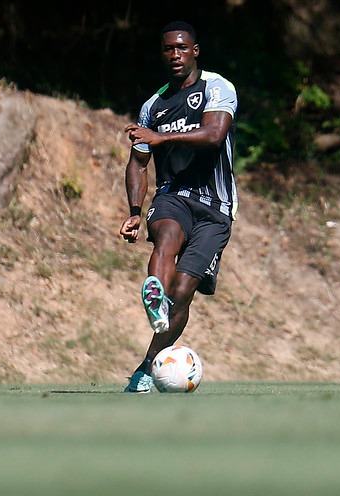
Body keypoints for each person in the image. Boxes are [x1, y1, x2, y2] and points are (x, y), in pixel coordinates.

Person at [119, 21, 238, 393]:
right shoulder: (152, 106)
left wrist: (162, 136)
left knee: (184, 291)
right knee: (166, 236)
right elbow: (138, 162)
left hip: (216, 206)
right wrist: (135, 211)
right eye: (168, 49)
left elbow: (214, 134)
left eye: (181, 48)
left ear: (195, 51)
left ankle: (144, 368)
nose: (175, 55)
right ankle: (155, 295)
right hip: (173, 194)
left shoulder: (217, 88)